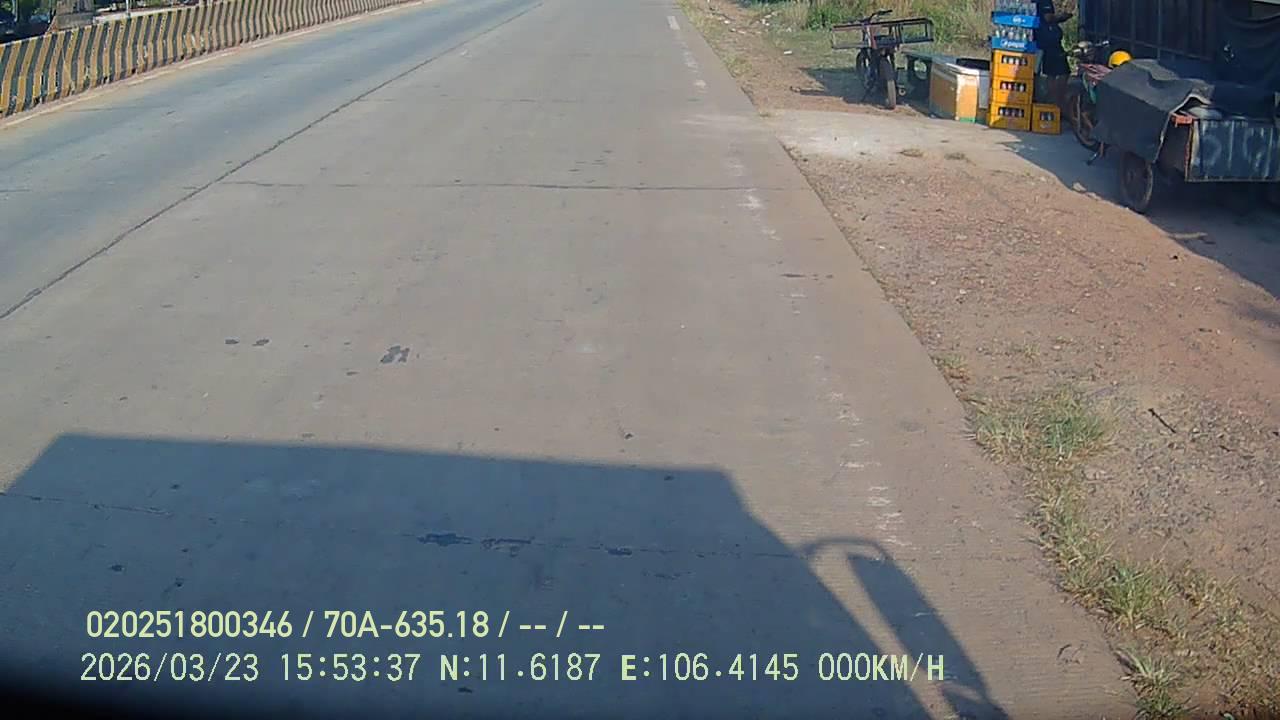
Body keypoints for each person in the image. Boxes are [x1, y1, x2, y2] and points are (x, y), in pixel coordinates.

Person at [1034, 0, 1074, 112]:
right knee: (1061, 72)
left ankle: (1055, 102)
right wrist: (1062, 17)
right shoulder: (1045, 2)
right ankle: (1056, 101)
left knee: (1053, 73)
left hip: (1048, 42)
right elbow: (1048, 17)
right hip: (1050, 43)